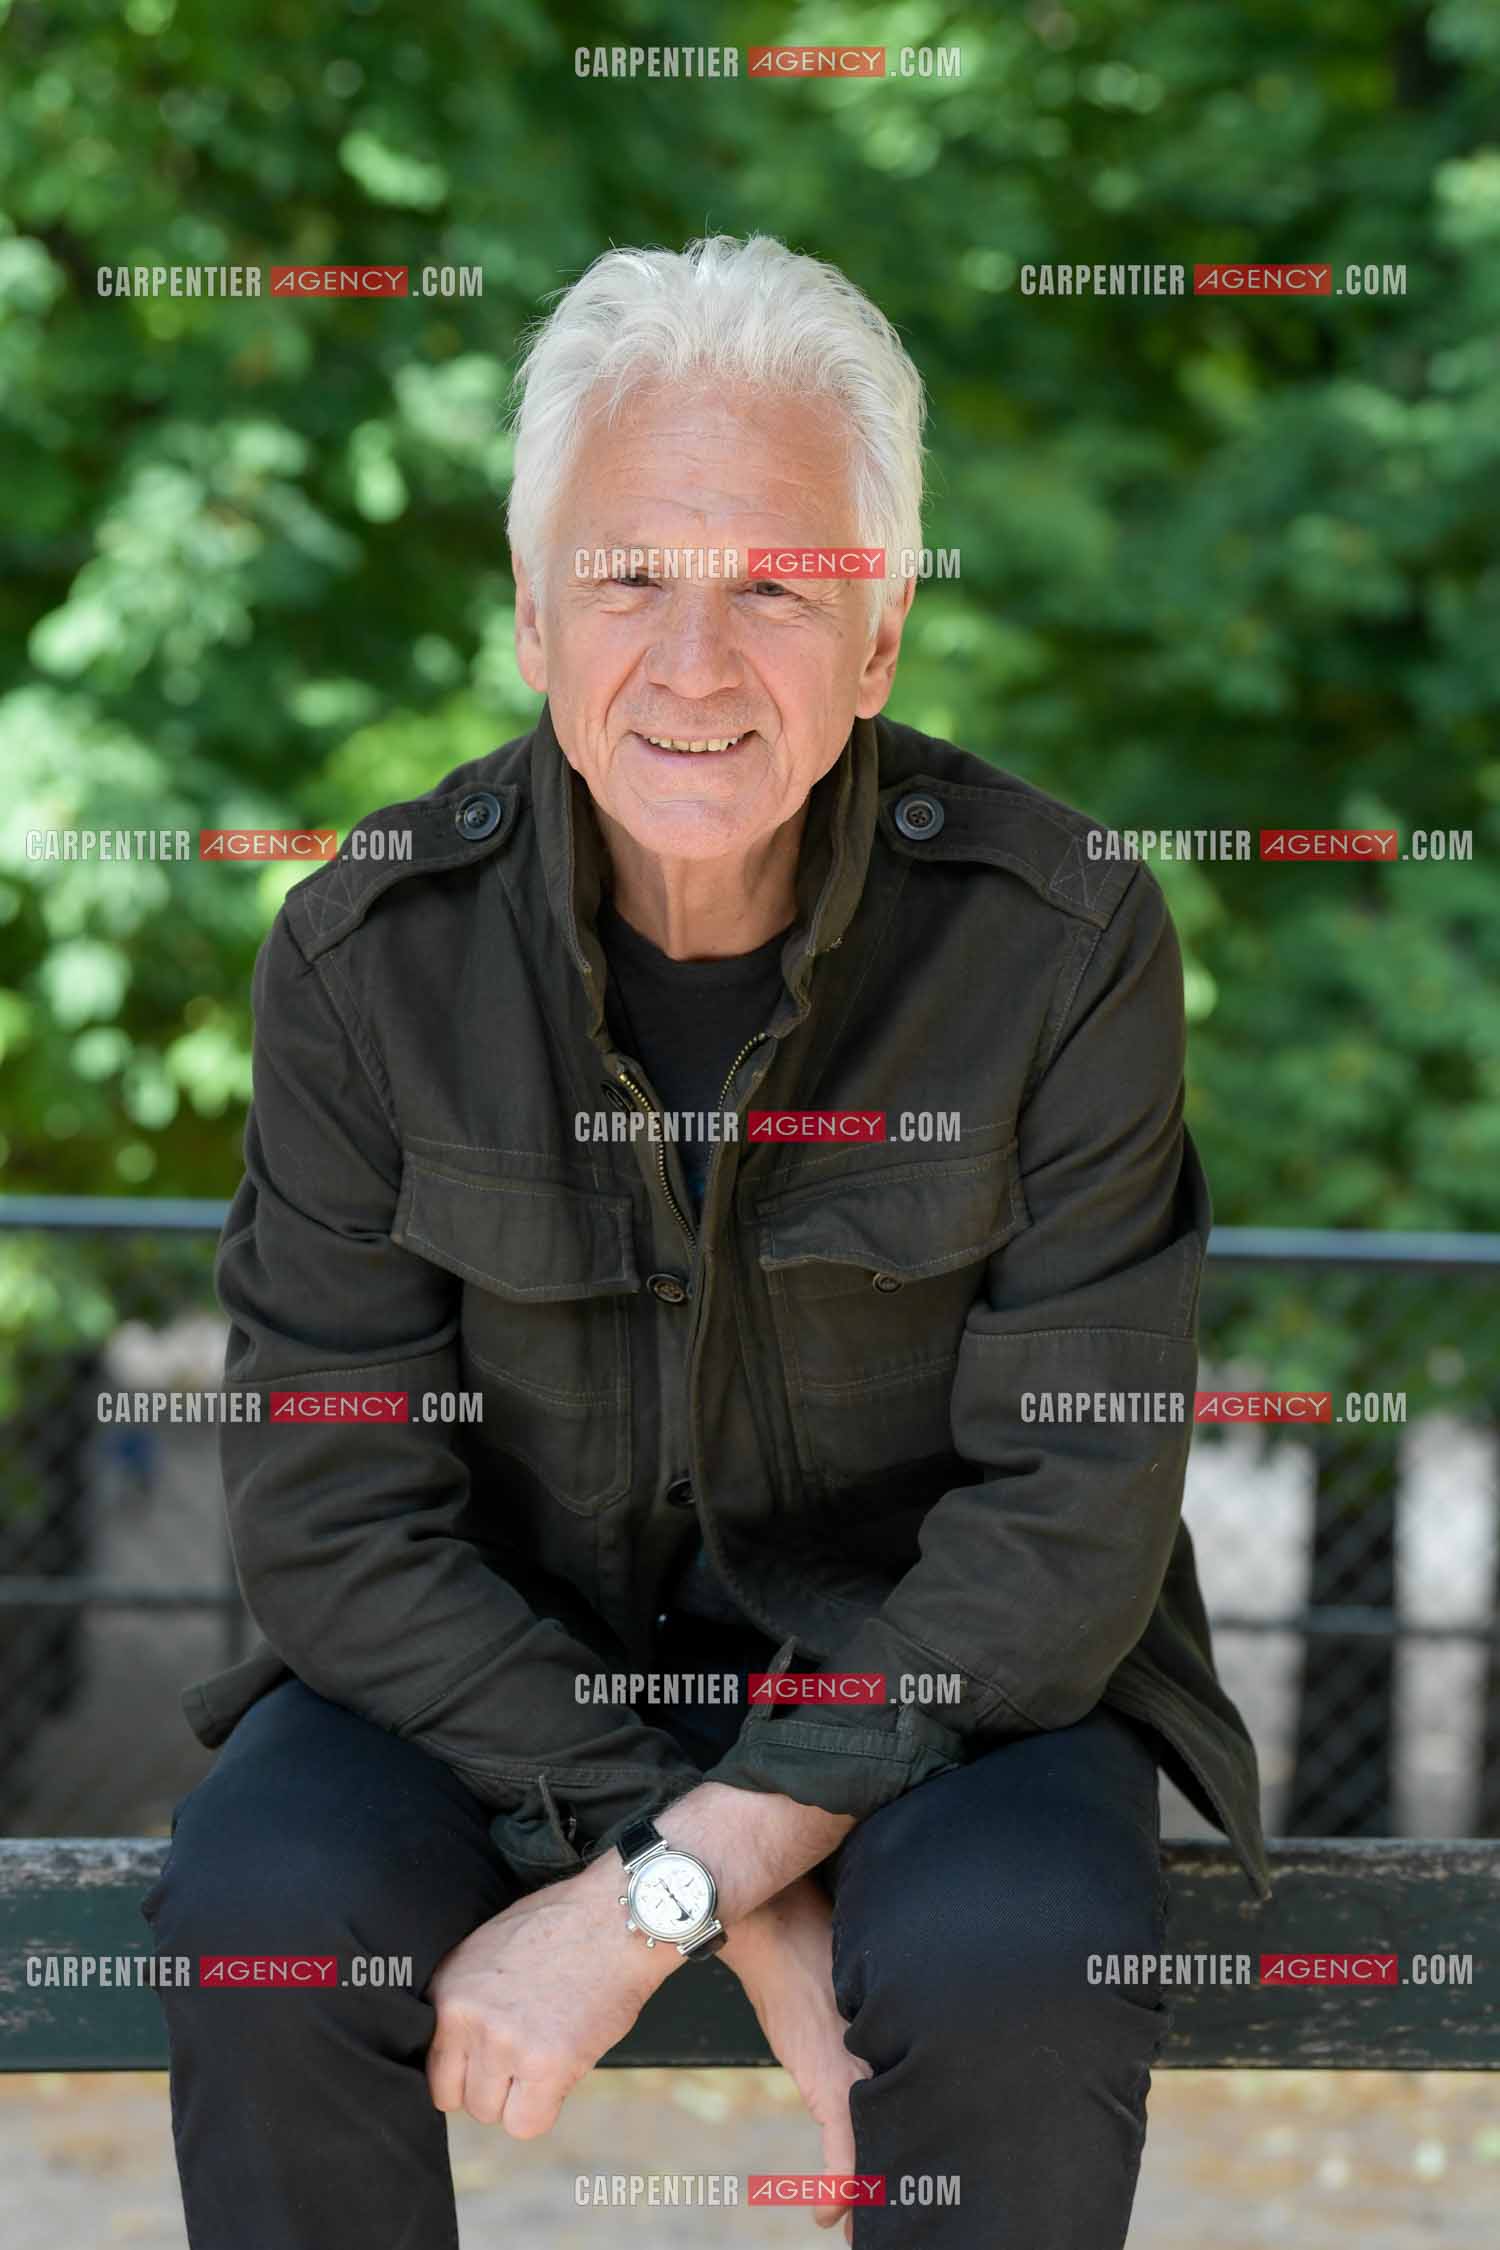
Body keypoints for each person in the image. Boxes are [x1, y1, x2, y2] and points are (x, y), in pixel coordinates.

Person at [141, 232, 1272, 2250]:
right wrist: (735, 1902)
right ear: (528, 614)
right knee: (255, 1913)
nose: (692, 659)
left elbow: (1069, 1514)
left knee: (1020, 1956)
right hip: (491, 1676)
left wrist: (676, 1877)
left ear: (885, 631)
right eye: (627, 576)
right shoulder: (362, 952)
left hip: (938, 1682)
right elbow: (329, 1516)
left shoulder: (1066, 937)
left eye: (774, 582)